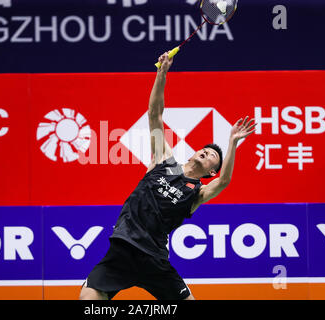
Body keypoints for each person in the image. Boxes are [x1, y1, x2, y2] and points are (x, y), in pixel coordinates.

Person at [79, 52, 256, 300]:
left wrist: (232, 143)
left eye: (213, 157)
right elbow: (155, 115)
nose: (206, 152)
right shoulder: (164, 161)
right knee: (88, 299)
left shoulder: (197, 193)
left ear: (211, 171)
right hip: (122, 249)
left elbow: (224, 182)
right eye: (204, 149)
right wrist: (162, 73)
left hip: (154, 259)